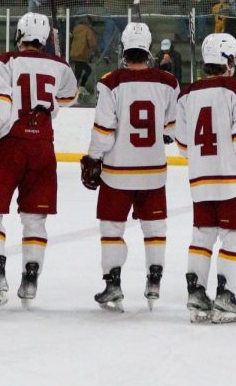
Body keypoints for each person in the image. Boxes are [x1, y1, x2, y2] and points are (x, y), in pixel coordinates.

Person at [0, 13, 78, 310]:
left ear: (18, 34)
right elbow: (69, 96)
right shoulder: (60, 64)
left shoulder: (5, 61)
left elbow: (1, 104)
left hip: (11, 144)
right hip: (43, 146)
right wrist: (55, 66)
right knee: (34, 217)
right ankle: (31, 277)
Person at [80, 23, 180, 311]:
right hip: (152, 170)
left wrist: (93, 157)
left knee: (112, 227)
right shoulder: (168, 81)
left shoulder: (110, 81)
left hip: (117, 171)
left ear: (123, 49)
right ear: (148, 49)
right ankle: (154, 281)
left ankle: (113, 284)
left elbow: (103, 130)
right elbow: (170, 130)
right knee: (154, 227)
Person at [175, 33, 236, 324]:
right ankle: (226, 297)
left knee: (202, 235)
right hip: (233, 178)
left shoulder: (187, 94)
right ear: (229, 60)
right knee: (232, 238)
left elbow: (183, 145)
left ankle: (196, 294)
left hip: (201, 178)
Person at [69, 16, 98, 97]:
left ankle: (77, 89)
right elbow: (93, 44)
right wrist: (97, 54)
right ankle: (79, 88)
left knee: (78, 72)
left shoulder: (76, 29)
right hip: (81, 55)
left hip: (74, 53)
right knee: (88, 70)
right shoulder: (88, 30)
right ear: (89, 23)